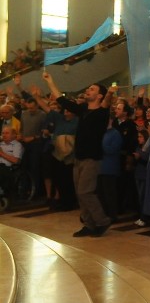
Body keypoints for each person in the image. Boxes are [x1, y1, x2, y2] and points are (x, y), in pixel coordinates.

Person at [43, 73, 114, 237]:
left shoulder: (102, 112)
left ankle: (102, 221)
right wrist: (50, 81)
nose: (88, 90)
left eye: (92, 89)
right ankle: (89, 224)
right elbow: (62, 100)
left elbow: (107, 102)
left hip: (92, 158)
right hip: (79, 157)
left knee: (85, 192)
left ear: (99, 95)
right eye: (88, 88)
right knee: (80, 193)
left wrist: (110, 93)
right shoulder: (82, 110)